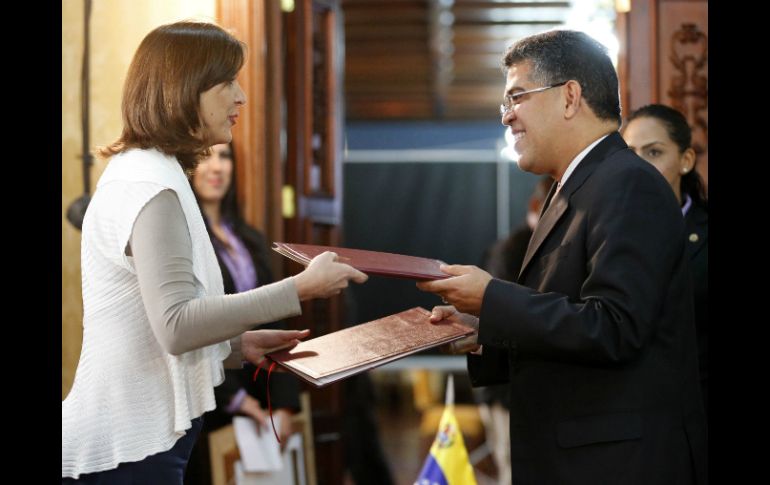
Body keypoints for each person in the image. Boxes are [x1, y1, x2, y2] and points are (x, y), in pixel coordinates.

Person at [62, 21, 367, 483]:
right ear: (184, 90)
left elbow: (149, 328)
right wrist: (301, 287)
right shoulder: (150, 185)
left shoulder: (150, 172)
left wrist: (235, 348)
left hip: (134, 440)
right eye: (227, 83)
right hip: (129, 447)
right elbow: (176, 326)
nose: (241, 97)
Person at [417, 29, 707, 484]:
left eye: (517, 98)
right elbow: (566, 317)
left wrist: (493, 298)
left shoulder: (627, 183)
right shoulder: (574, 188)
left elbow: (615, 326)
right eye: (504, 104)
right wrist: (483, 334)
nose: (507, 117)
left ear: (570, 96)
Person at [183, 142, 302, 484]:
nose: (216, 167)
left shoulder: (249, 238)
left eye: (224, 157)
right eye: (203, 155)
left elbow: (276, 320)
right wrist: (239, 402)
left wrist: (282, 403)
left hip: (262, 397)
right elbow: (194, 327)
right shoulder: (186, 240)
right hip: (214, 405)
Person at [622, 104, 708, 415]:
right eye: (631, 153)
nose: (640, 165)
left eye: (654, 152)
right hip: (632, 418)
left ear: (685, 160)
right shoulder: (607, 233)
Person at [475, 175, 551, 485]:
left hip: (531, 387)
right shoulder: (511, 250)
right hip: (505, 388)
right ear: (536, 206)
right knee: (512, 468)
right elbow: (502, 319)